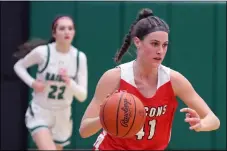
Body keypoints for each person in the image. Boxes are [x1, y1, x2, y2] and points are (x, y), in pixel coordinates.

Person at [79, 8, 220, 150]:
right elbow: (84, 130)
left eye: (164, 45)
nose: (160, 51)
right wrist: (106, 118)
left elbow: (214, 120)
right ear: (137, 42)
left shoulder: (174, 80)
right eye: (154, 44)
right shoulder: (114, 77)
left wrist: (201, 125)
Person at [13, 15, 88, 150]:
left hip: (63, 114)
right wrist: (33, 83)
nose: (67, 32)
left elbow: (82, 96)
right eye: (62, 28)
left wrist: (70, 82)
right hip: (41, 111)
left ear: (74, 32)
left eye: (70, 28)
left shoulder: (79, 57)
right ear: (54, 33)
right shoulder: (43, 52)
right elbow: (19, 66)